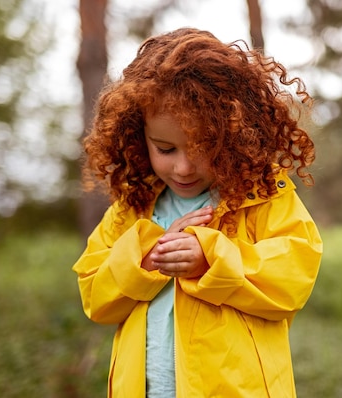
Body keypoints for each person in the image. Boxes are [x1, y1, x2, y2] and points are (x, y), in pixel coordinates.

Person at [72, 27, 323, 398]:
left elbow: (293, 278)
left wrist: (211, 259)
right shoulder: (133, 209)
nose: (184, 168)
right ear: (139, 137)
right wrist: (148, 254)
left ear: (233, 136)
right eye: (166, 149)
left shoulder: (262, 195)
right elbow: (96, 296)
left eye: (202, 146)